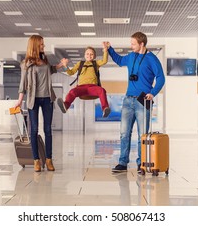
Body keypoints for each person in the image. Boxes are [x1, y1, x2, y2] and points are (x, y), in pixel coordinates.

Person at [103, 32, 165, 174]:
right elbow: (119, 60)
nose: (131, 46)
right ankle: (123, 163)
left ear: (141, 44)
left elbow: (161, 78)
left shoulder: (152, 59)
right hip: (128, 100)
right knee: (124, 133)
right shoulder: (131, 57)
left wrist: (153, 92)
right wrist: (110, 49)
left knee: (142, 135)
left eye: (133, 44)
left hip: (143, 100)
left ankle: (141, 163)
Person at [15, 35, 63, 172]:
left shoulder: (45, 60)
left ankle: (49, 160)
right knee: (34, 130)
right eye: (42, 44)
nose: (44, 46)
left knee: (48, 130)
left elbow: (51, 70)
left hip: (47, 98)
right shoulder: (26, 64)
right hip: (33, 99)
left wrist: (60, 65)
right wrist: (19, 100)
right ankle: (36, 160)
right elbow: (23, 83)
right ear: (35, 46)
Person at [57, 45, 111, 118]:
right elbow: (71, 72)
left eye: (91, 54)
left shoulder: (96, 63)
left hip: (93, 87)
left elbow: (104, 61)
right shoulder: (80, 63)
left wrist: (105, 50)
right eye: (87, 54)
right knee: (72, 91)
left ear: (94, 56)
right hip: (81, 88)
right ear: (84, 55)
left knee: (102, 90)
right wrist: (65, 66)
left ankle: (105, 108)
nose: (89, 55)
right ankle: (65, 106)